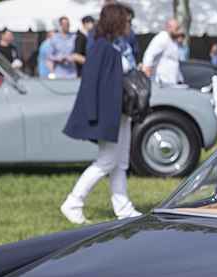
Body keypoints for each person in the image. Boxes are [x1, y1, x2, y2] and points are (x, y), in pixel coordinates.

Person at [60, 2, 142, 224]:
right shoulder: (101, 46)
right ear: (117, 21)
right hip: (107, 114)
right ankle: (73, 202)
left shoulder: (116, 45)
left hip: (120, 112)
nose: (130, 25)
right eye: (127, 20)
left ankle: (124, 208)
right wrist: (93, 114)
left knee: (120, 162)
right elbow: (90, 81)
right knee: (107, 160)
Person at [143, 18, 185, 85]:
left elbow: (174, 62)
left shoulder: (173, 41)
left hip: (172, 83)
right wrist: (146, 72)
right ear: (169, 27)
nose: (179, 31)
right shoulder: (162, 38)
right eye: (177, 29)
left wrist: (180, 78)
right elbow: (150, 54)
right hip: (161, 83)